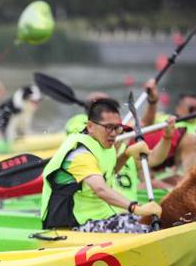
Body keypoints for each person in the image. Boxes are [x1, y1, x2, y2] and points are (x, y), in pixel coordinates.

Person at [40, 98, 163, 233]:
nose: (114, 133)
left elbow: (109, 172)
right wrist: (136, 208)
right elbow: (101, 189)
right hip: (71, 224)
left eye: (117, 128)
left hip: (99, 217)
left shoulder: (103, 143)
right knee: (145, 230)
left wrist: (126, 154)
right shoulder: (80, 154)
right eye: (108, 127)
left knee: (160, 223)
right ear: (91, 126)